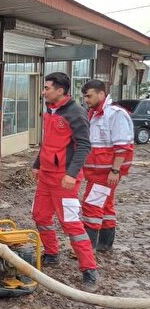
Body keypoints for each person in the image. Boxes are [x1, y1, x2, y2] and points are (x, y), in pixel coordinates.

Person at [31, 72, 99, 289]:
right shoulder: (50, 111)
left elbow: (84, 146)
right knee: (40, 216)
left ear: (60, 90)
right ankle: (51, 253)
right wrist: (37, 164)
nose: (43, 92)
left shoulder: (76, 113)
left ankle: (89, 269)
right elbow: (48, 143)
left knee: (70, 223)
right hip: (46, 176)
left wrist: (72, 174)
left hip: (65, 180)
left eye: (47, 88)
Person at [81, 80, 134, 252]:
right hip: (98, 172)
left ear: (101, 94)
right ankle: (105, 244)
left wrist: (115, 170)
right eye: (85, 96)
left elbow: (122, 146)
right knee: (106, 206)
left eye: (89, 96)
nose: (86, 100)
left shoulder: (114, 114)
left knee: (91, 207)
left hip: (105, 173)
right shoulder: (95, 113)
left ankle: (87, 249)